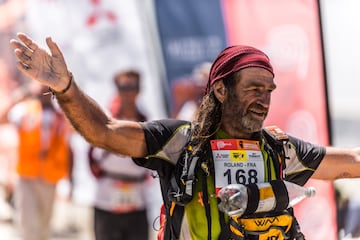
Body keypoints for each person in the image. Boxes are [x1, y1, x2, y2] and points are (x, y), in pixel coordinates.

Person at [9, 32, 360, 240]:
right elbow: (105, 133)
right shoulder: (180, 143)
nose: (264, 99)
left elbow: (351, 163)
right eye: (254, 88)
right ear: (221, 90)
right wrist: (66, 88)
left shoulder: (280, 150)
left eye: (268, 90)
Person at [0, 79, 73, 240]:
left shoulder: (60, 116)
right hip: (27, 176)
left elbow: (69, 147)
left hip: (50, 176)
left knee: (44, 225)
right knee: (28, 223)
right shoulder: (24, 111)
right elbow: (2, 119)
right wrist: (16, 98)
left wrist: (70, 179)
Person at [87, 70, 151, 240]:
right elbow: (93, 155)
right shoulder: (105, 120)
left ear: (139, 90)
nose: (128, 92)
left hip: (137, 201)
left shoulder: (146, 122)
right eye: (123, 87)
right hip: (106, 200)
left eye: (132, 87)